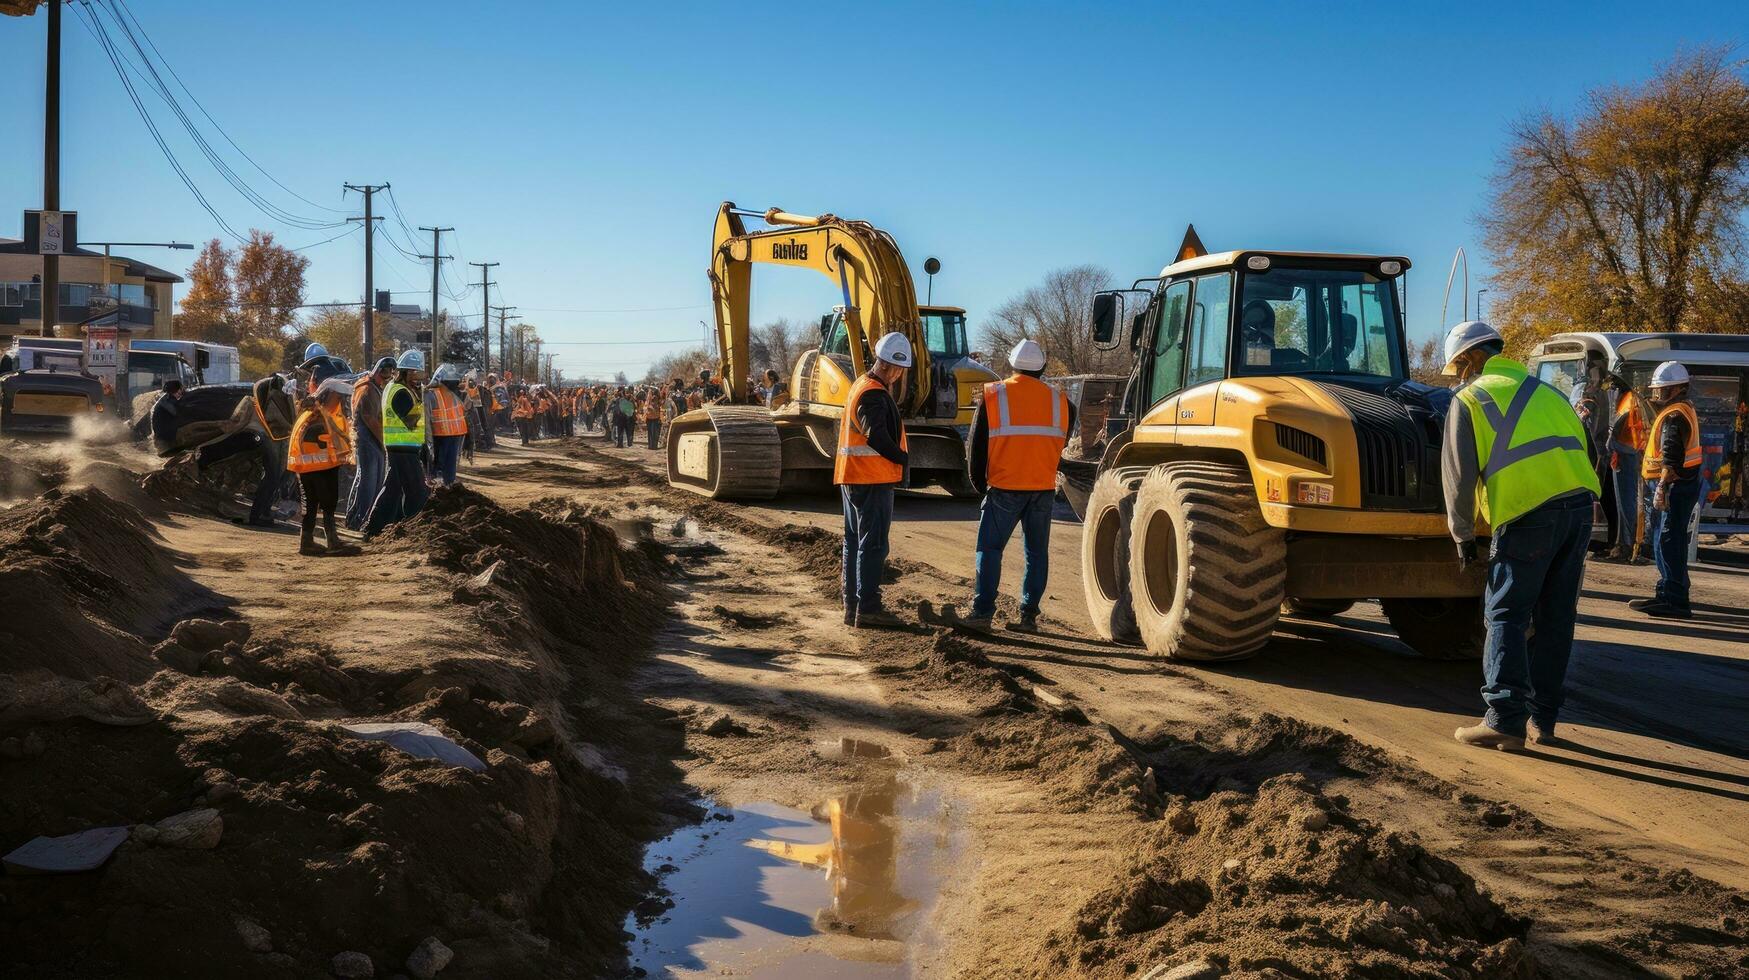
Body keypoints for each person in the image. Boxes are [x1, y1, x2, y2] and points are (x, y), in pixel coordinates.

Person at [1440, 321, 1600, 751]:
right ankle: (1543, 721)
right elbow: (1592, 451)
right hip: (1580, 509)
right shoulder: (1549, 394)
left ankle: (1505, 719)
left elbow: (1457, 477)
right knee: (1556, 618)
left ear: (1471, 358)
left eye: (1457, 367)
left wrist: (1460, 534)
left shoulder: (1470, 398)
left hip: (1528, 513)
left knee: (1506, 615)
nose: (1457, 377)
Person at [960, 339, 1073, 633]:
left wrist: (978, 484)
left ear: (1012, 364)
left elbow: (976, 447)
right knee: (1036, 553)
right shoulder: (1061, 401)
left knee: (989, 548)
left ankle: (982, 613)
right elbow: (1063, 437)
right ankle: (1028, 618)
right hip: (1043, 488)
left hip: (1005, 486)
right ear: (1043, 367)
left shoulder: (994, 396)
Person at [836, 333, 913, 629]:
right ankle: (868, 607)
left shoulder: (861, 384)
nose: (899, 376)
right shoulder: (874, 394)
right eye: (900, 371)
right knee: (874, 544)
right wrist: (902, 458)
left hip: (854, 476)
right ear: (893, 368)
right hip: (871, 478)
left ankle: (853, 605)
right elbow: (876, 435)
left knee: (855, 541)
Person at [1630, 362, 1704, 619]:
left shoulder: (1674, 415)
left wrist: (1662, 485)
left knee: (1668, 541)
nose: (1658, 394)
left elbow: (1671, 453)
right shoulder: (1682, 410)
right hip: (1681, 484)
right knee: (1669, 540)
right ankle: (1669, 593)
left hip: (1673, 486)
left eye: (1663, 389)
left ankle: (1674, 599)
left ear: (1677, 389)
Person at [364, 349, 431, 539]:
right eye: (417, 373)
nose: (419, 378)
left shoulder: (396, 388)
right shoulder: (401, 392)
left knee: (392, 491)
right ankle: (415, 529)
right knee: (417, 492)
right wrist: (421, 401)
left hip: (402, 448)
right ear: (407, 372)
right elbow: (410, 421)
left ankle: (375, 528)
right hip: (402, 448)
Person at [287, 379, 355, 555]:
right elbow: (324, 442)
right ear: (329, 395)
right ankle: (331, 541)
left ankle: (308, 542)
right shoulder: (318, 416)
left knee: (311, 506)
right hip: (320, 467)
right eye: (338, 397)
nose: (340, 402)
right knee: (327, 503)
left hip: (308, 467)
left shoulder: (312, 413)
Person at [239, 373, 297, 528]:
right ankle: (257, 515)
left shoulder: (269, 393)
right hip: (272, 438)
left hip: (269, 438)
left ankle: (262, 513)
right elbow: (282, 420)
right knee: (272, 478)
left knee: (272, 477)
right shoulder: (276, 397)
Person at [346, 357, 394, 531]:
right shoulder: (367, 389)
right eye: (385, 373)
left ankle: (361, 518)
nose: (386, 377)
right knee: (368, 482)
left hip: (372, 440)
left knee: (371, 481)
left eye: (389, 374)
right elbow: (369, 418)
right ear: (377, 372)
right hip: (368, 440)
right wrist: (383, 441)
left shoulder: (372, 387)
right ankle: (361, 519)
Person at [1605, 375, 1648, 562]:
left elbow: (1620, 429)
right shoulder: (1630, 399)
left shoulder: (1629, 401)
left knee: (1627, 502)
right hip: (1627, 454)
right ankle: (1626, 544)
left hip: (1627, 455)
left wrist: (1609, 446)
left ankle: (1626, 545)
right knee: (1628, 502)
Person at [150, 379, 185, 455]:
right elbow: (176, 412)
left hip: (165, 435)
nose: (180, 392)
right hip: (164, 437)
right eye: (179, 389)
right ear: (174, 390)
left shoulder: (166, 399)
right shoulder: (167, 401)